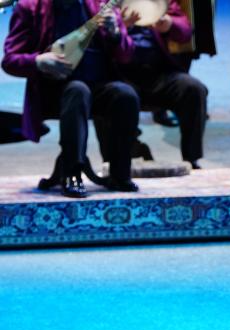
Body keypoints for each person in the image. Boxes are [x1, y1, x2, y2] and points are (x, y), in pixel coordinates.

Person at [2, 0, 141, 197]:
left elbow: (127, 55)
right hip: (54, 92)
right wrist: (38, 61)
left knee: (125, 94)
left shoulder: (101, 5)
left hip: (97, 87)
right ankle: (71, 172)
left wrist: (116, 33)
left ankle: (120, 174)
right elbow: (10, 60)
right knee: (78, 91)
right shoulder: (30, 6)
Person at [117, 0, 209, 169]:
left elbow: (185, 31)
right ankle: (133, 150)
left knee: (194, 89)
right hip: (121, 73)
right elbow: (94, 31)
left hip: (158, 72)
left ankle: (191, 158)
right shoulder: (107, 3)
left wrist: (170, 24)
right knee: (113, 94)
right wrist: (120, 26)